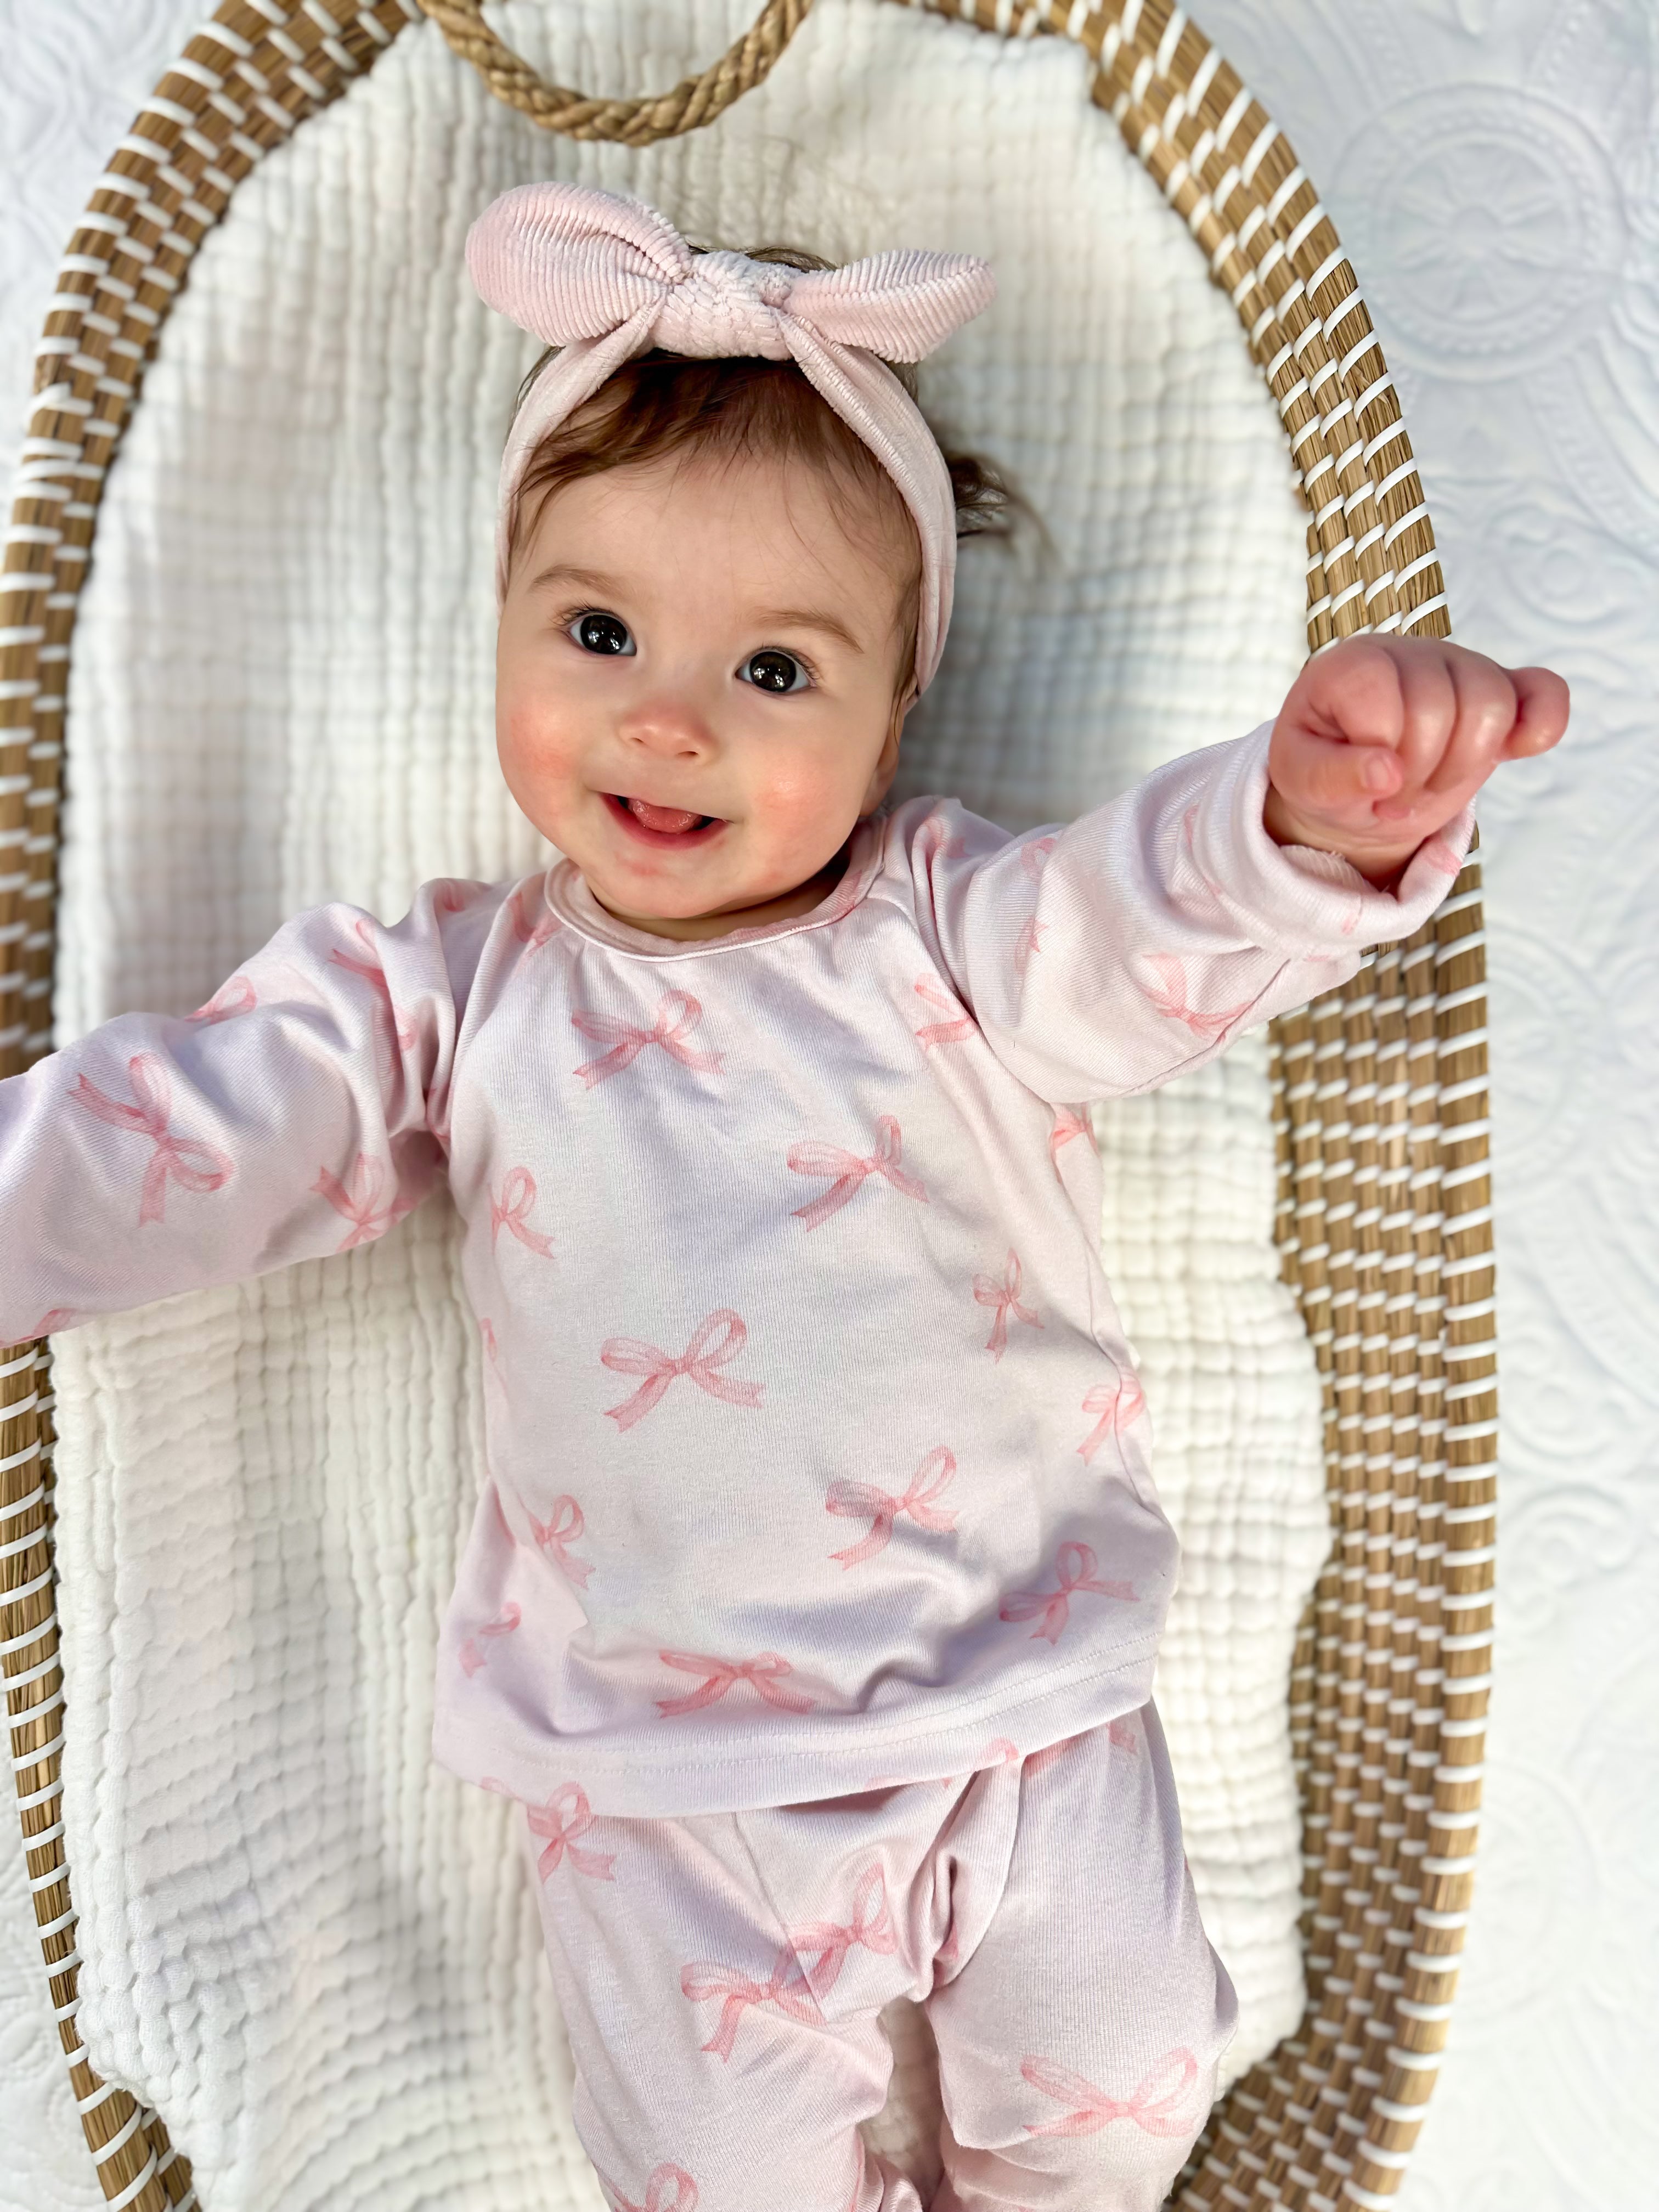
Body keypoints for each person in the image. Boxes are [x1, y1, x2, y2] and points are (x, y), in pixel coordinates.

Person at [0, 183, 1567, 2212]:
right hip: (665, 1781)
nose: (668, 719)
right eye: (597, 635)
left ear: (893, 717)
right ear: (500, 627)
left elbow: (1132, 931)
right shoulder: (458, 1000)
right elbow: (197, 1124)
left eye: (774, 667)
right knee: (717, 2169)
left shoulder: (947, 932)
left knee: (1124, 2068)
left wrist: (1290, 823)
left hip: (1018, 1694)